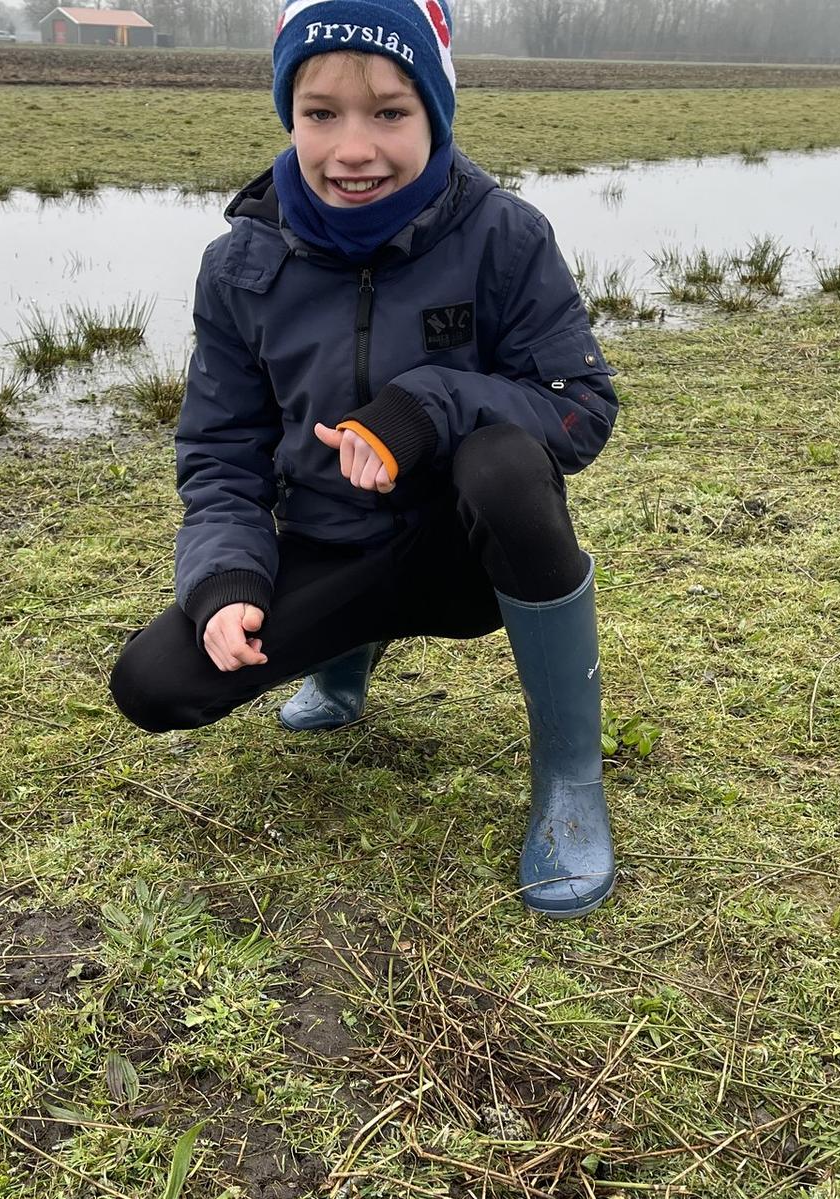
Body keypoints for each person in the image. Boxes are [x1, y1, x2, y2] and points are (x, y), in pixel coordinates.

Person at [108, 0, 620, 918]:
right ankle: (344, 659)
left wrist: (428, 401)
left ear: (436, 112)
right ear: (288, 113)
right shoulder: (238, 267)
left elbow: (581, 410)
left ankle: (572, 777)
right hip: (331, 548)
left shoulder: (506, 236)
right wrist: (226, 580)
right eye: (321, 113)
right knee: (154, 684)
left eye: (389, 112)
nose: (353, 148)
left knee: (504, 462)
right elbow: (221, 453)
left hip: (463, 558)